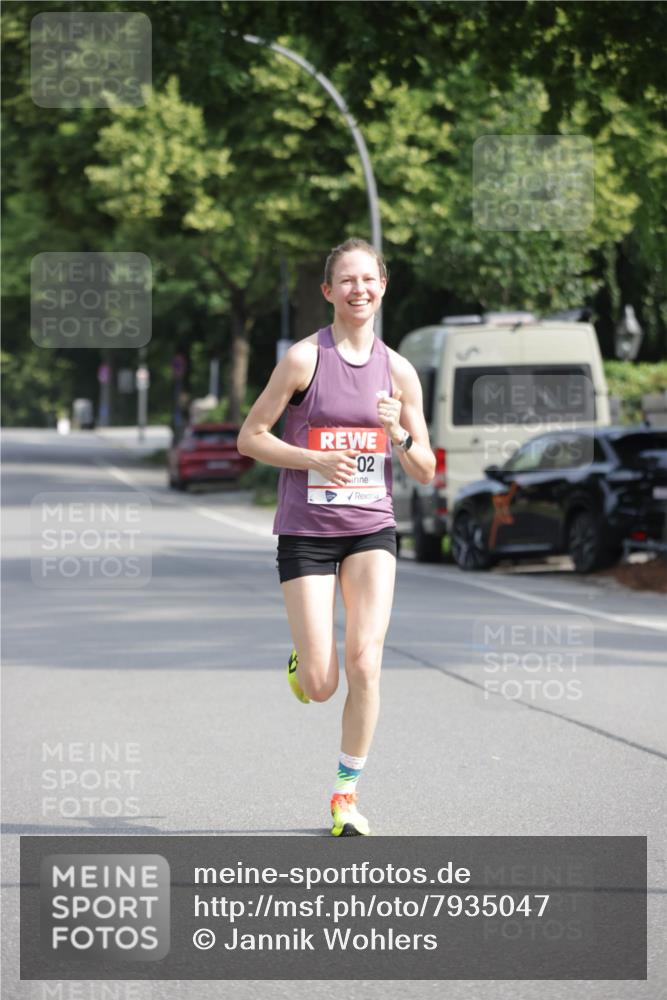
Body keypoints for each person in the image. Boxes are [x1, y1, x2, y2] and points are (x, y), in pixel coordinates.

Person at [237, 238, 435, 836]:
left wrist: (399, 432)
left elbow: (425, 468)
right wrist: (311, 461)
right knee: (323, 683)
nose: (359, 290)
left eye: (368, 280)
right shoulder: (304, 361)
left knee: (366, 662)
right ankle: (306, 660)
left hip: (372, 530)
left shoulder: (399, 371)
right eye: (346, 280)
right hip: (307, 532)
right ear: (328, 291)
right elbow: (251, 437)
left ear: (382, 287)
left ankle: (345, 795)